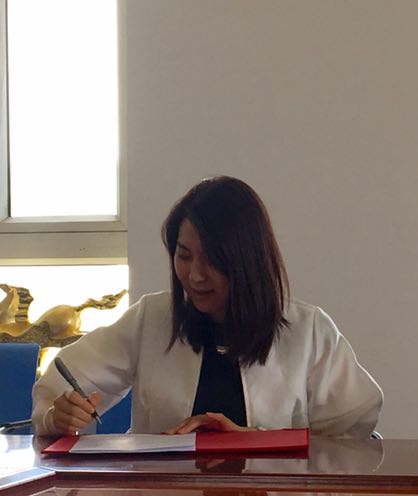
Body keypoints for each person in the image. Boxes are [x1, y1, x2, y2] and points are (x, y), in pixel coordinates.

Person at [32, 176, 382, 437]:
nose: (195, 275)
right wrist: (58, 416)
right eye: (183, 256)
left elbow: (353, 436)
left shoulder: (308, 331)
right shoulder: (151, 319)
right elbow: (62, 382)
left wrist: (255, 440)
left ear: (247, 261)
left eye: (212, 259)